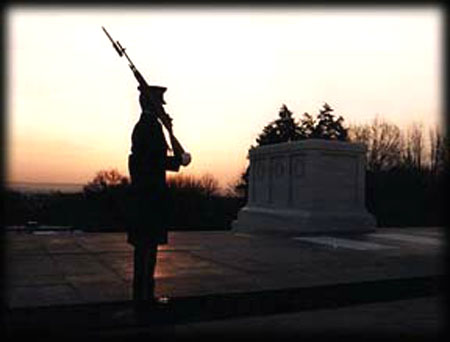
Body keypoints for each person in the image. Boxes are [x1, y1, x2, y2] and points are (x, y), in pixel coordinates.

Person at [127, 67, 187, 311]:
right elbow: (153, 160)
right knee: (146, 248)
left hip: (145, 196)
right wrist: (178, 161)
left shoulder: (146, 126)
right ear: (153, 105)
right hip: (149, 197)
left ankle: (142, 295)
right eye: (160, 104)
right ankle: (144, 298)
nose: (164, 107)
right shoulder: (149, 127)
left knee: (146, 248)